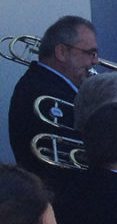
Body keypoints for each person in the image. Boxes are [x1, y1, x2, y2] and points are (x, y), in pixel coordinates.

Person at [7, 15, 98, 190]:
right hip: (61, 199)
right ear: (61, 52)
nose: (95, 61)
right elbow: (80, 151)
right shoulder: (45, 93)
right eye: (90, 53)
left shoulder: (45, 84)